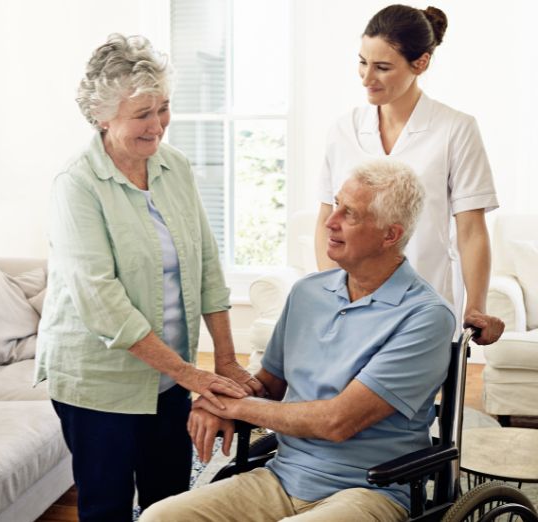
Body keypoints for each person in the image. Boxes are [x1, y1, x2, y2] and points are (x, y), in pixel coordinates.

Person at [141, 160, 456, 522]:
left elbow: (337, 421)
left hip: (367, 492)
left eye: (349, 214)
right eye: (336, 204)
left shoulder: (425, 316)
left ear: (390, 235)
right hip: (282, 477)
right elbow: (268, 387)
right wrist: (214, 400)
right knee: (159, 517)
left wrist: (236, 409)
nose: (330, 221)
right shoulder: (308, 293)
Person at [35, 33, 263, 521]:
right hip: (98, 382)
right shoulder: (76, 185)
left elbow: (205, 263)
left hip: (169, 378)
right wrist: (190, 373)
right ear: (103, 115)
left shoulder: (173, 166)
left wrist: (224, 359)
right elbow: (101, 302)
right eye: (142, 113)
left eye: (163, 107)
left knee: (170, 501)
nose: (157, 124)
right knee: (108, 507)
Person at [314, 4, 504, 344]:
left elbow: (471, 230)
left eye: (382, 67)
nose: (367, 78)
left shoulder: (455, 129)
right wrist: (329, 294)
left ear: (421, 63)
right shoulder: (342, 130)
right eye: (362, 62)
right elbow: (326, 218)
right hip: (349, 306)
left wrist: (476, 306)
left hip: (423, 304)